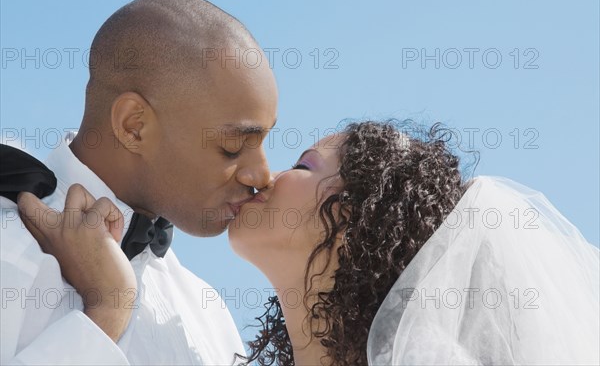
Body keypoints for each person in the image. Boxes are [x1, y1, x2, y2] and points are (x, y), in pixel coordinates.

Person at [17, 121, 600, 365]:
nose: (264, 174)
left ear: (359, 221)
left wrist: (104, 311)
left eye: (303, 161)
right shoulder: (206, 335)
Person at [0, 0, 278, 364]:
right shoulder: (10, 257)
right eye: (232, 146)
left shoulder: (209, 314)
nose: (262, 174)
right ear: (134, 126)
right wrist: (106, 318)